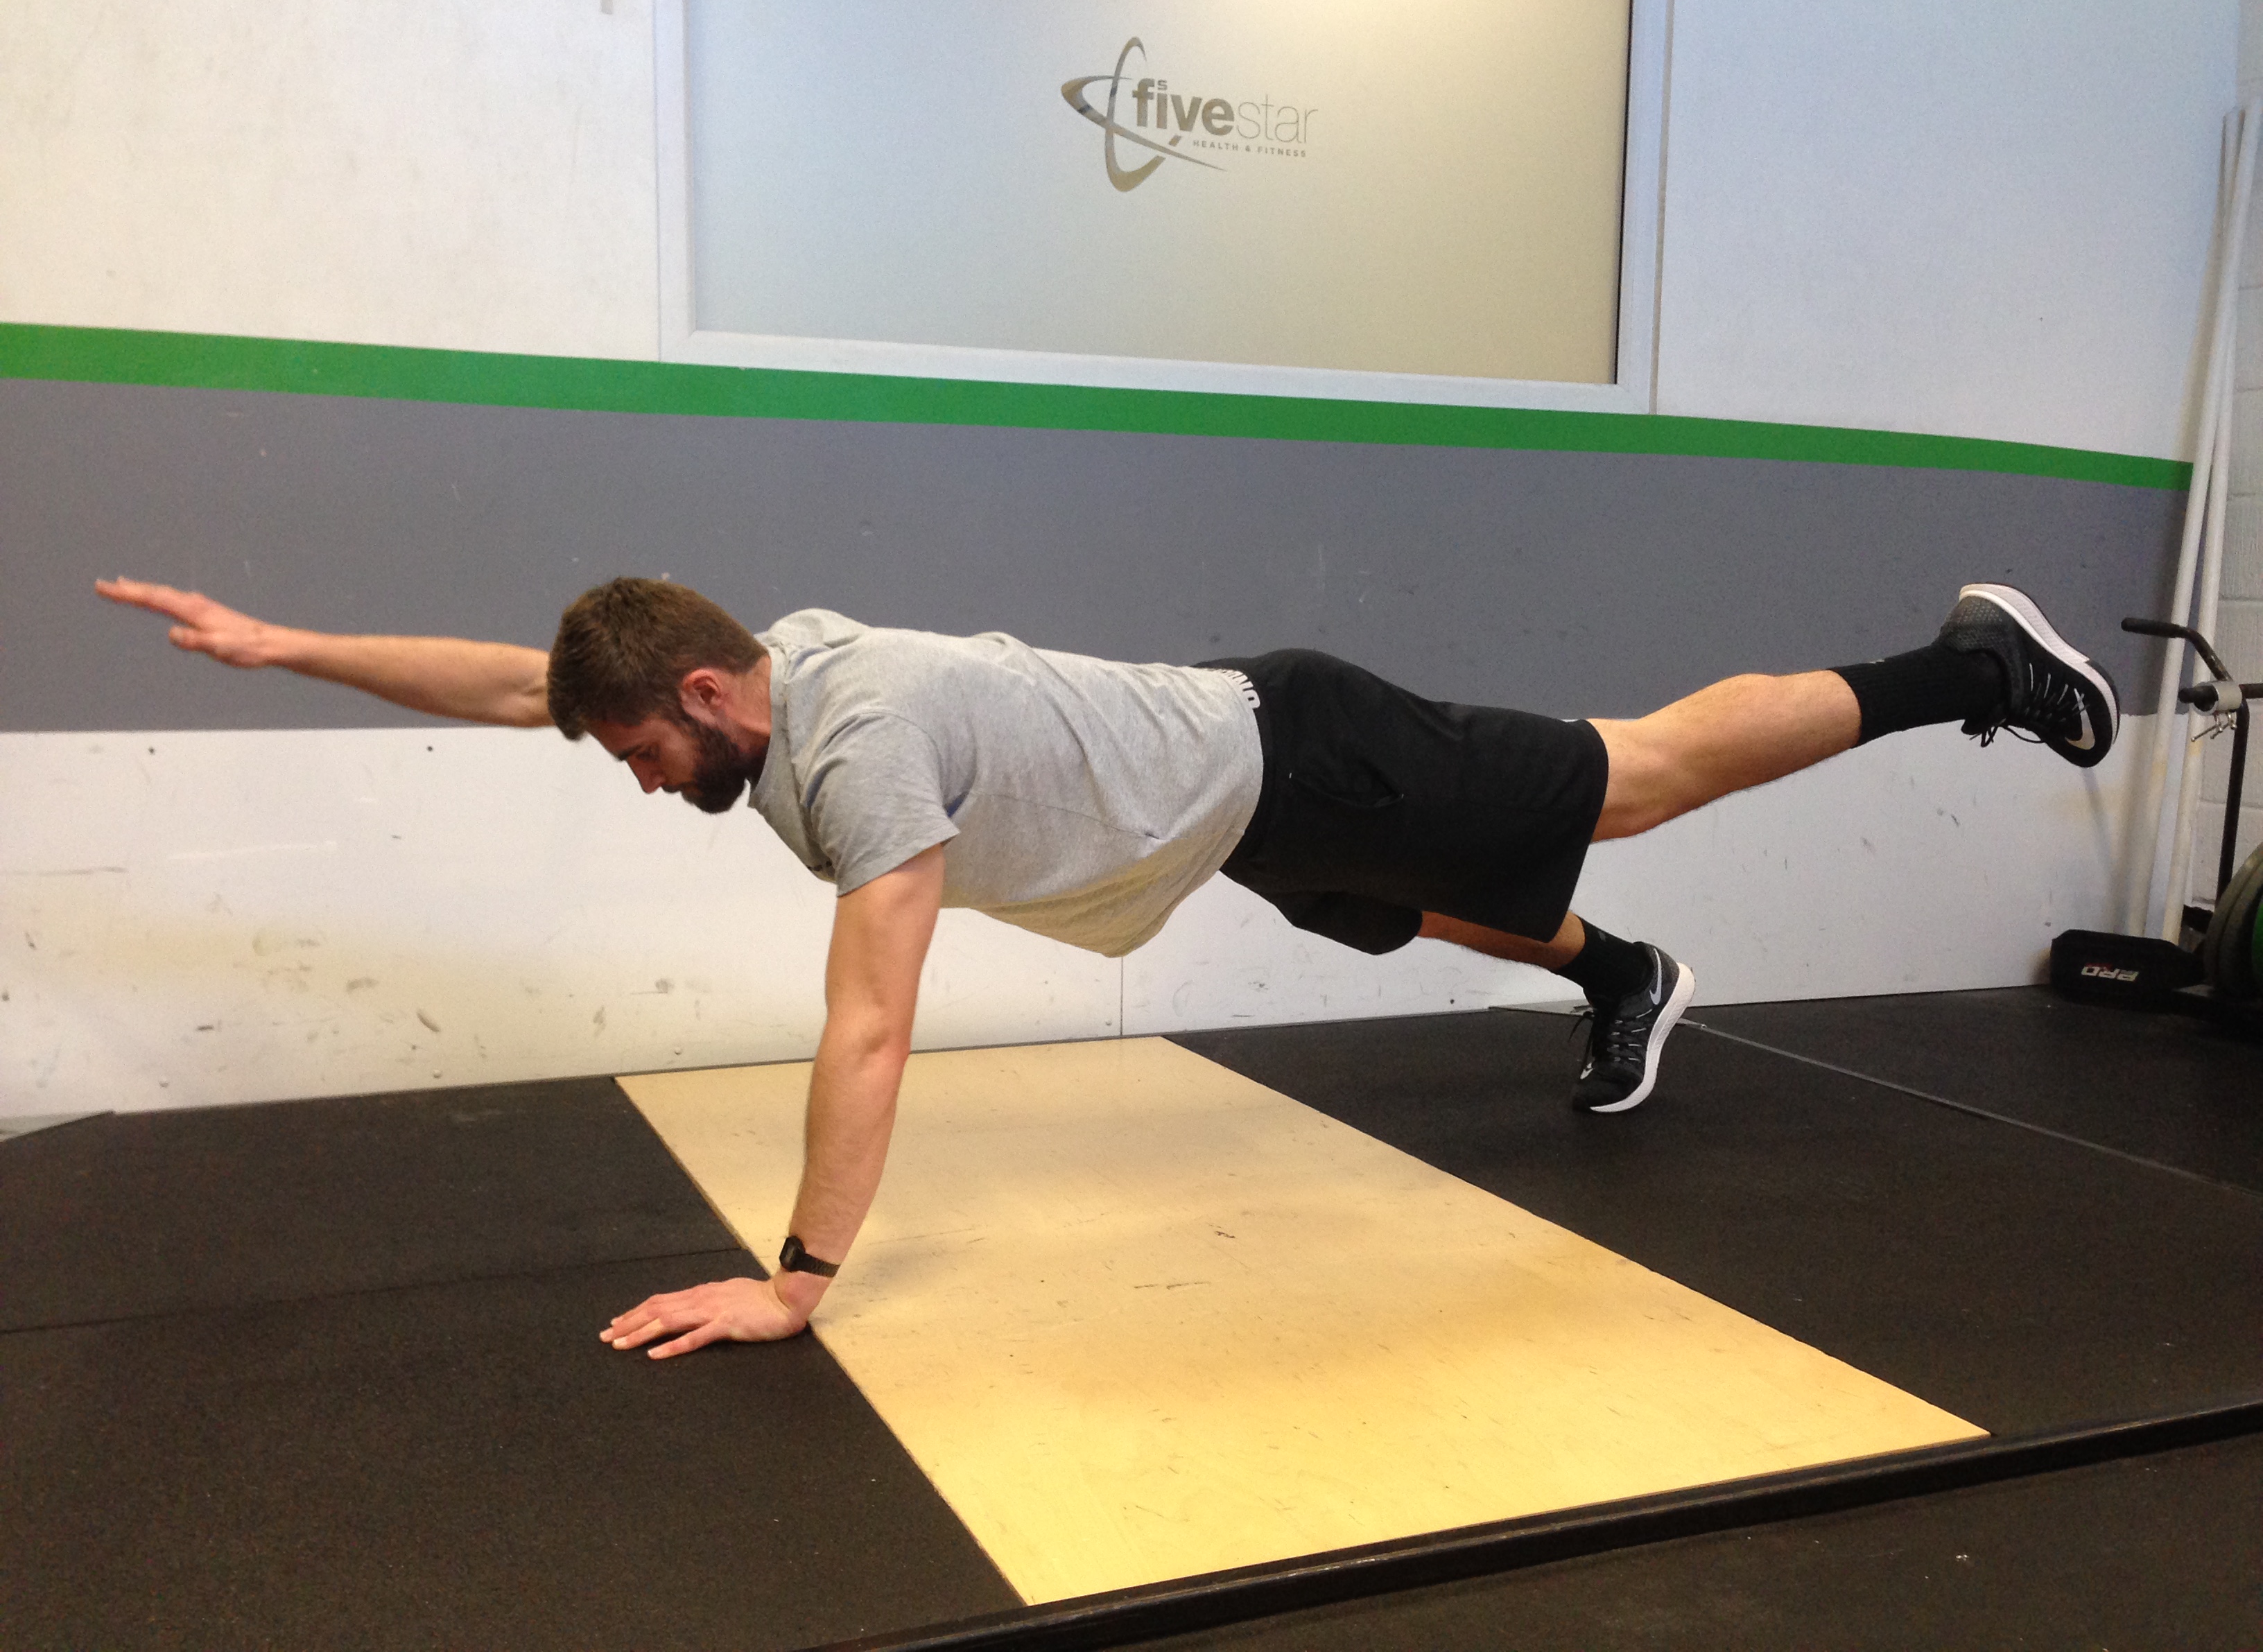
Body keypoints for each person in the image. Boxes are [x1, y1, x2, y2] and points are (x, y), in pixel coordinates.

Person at [96, 574, 2118, 1357]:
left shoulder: (862, 752)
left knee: (1643, 777)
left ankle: (1963, 667)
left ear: (715, 694)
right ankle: (1617, 982)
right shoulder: (741, 690)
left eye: (646, 755)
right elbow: (499, 678)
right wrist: (294, 651)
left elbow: (870, 1017)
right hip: (1244, 821)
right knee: (1415, 907)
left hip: (1296, 745)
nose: (637, 782)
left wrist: (801, 1283)